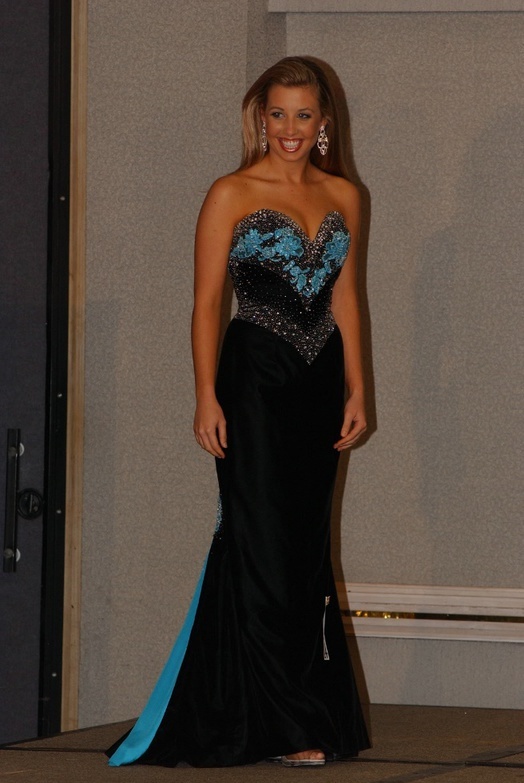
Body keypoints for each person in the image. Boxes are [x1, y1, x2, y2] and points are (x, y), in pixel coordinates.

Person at [107, 55, 370, 768]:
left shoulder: (345, 195)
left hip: (319, 383)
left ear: (324, 123)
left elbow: (346, 297)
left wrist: (357, 387)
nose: (289, 128)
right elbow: (205, 304)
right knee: (258, 541)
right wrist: (205, 395)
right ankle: (284, 722)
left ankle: (288, 708)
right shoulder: (230, 192)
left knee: (305, 545)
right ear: (260, 117)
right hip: (252, 378)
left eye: (303, 115)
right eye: (277, 113)